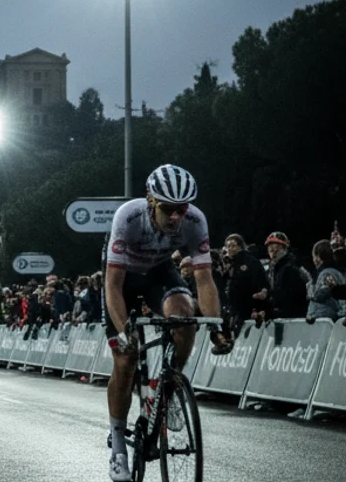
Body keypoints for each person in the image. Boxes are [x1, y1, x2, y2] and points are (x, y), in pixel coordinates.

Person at [103, 164, 232, 482]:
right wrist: (124, 331)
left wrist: (216, 325)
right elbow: (113, 286)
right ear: (150, 201)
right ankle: (118, 446)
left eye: (181, 209)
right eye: (167, 209)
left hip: (159, 272)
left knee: (185, 315)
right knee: (125, 358)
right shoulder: (127, 218)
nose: (176, 217)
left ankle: (170, 386)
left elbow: (204, 279)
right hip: (125, 278)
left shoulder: (195, 221)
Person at [262, 232, 307, 320]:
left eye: (274, 245)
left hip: (292, 318)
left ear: (284, 247)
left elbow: (290, 297)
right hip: (285, 317)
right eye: (269, 245)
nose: (271, 248)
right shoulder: (277, 268)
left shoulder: (290, 267)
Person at [306, 239, 345, 322]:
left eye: (313, 256)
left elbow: (321, 294)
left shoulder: (326, 273)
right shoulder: (337, 272)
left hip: (324, 320)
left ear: (318, 257)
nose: (313, 260)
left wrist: (310, 287)